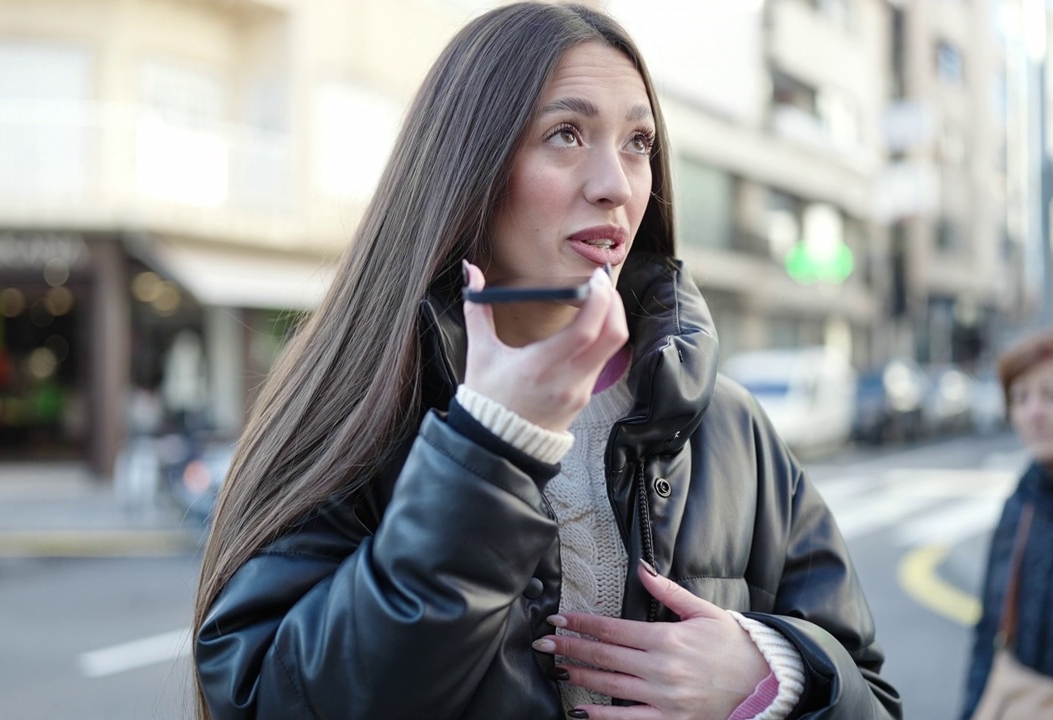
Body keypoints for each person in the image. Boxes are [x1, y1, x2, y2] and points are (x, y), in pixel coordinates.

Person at [192, 3, 901, 718]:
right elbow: (261, 697)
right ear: (470, 163)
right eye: (566, 134)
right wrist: (488, 448)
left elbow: (872, 696)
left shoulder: (731, 428)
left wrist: (773, 674)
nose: (616, 185)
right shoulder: (366, 400)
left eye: (637, 142)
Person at [960, 329, 1053, 718]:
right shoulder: (1022, 502)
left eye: (1050, 394)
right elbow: (989, 632)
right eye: (1020, 398)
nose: (1034, 412)